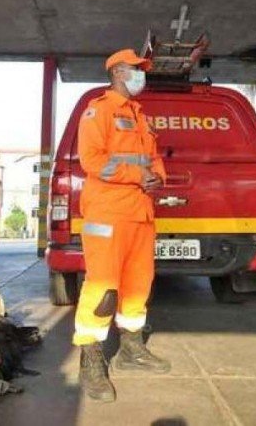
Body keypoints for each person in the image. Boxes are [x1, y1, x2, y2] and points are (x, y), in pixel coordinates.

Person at [73, 48, 171, 403]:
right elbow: (92, 160)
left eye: (142, 70)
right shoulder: (98, 110)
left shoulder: (140, 115)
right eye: (136, 70)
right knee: (102, 286)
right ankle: (91, 359)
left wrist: (157, 178)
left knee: (137, 285)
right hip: (107, 214)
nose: (141, 75)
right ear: (117, 72)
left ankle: (131, 349)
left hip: (140, 213)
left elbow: (153, 160)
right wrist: (137, 175)